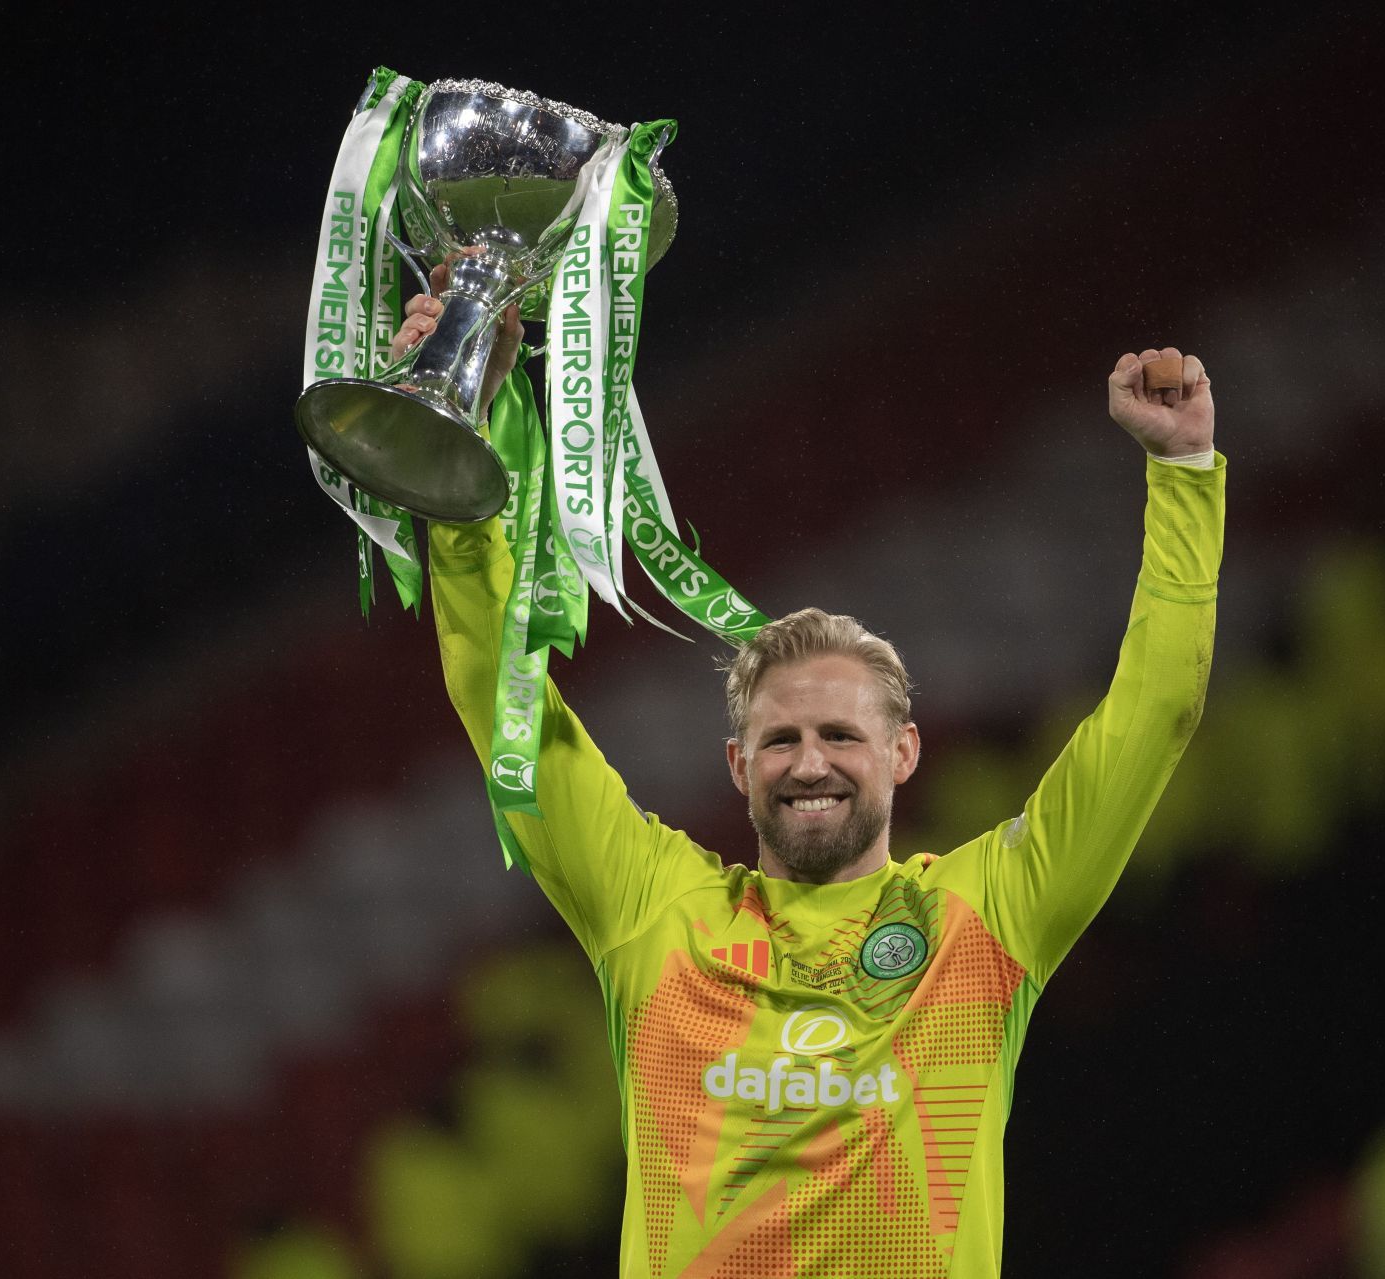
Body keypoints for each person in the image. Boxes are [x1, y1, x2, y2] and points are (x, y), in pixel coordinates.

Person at [396, 283, 1223, 1277]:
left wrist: (1183, 471)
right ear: (739, 766)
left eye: (841, 733)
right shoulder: (652, 910)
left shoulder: (985, 919)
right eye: (780, 739)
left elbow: (1154, 711)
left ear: (903, 754)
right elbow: (501, 702)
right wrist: (463, 445)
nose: (811, 761)